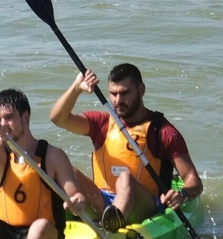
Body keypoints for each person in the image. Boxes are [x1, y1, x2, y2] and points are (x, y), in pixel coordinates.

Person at [49, 64, 203, 231]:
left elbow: (193, 180)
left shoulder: (162, 131)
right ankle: (83, 219)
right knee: (66, 169)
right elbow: (58, 118)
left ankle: (110, 228)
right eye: (113, 94)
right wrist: (76, 88)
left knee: (125, 179)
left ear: (141, 90)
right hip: (103, 201)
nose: (118, 100)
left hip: (145, 207)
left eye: (124, 93)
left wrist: (182, 194)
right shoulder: (101, 123)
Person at [0, 89, 87, 239]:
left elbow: (75, 194)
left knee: (39, 227)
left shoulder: (53, 155)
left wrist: (77, 202)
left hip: (45, 233)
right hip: (6, 232)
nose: (3, 124)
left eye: (9, 118)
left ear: (25, 117)